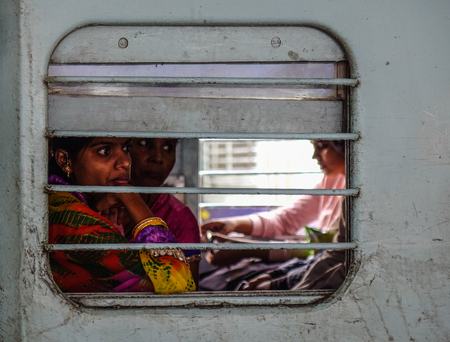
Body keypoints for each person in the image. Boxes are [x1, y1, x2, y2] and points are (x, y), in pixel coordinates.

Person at [48, 137, 196, 294]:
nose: (125, 162)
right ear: (64, 160)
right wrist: (131, 197)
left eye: (126, 148)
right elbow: (179, 284)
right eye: (105, 151)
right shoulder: (75, 223)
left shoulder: (61, 200)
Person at [199, 140, 345, 290]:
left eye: (322, 146)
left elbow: (322, 254)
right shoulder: (332, 181)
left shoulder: (355, 198)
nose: (315, 156)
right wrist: (235, 224)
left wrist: (249, 249)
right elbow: (286, 219)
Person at [123, 138, 201, 286]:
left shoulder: (180, 217)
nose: (158, 158)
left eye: (168, 147)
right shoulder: (89, 202)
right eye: (144, 143)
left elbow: (185, 296)